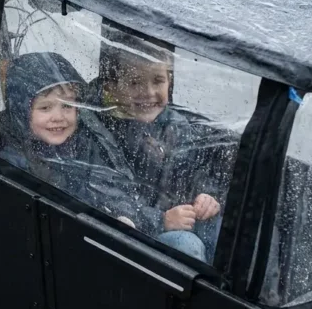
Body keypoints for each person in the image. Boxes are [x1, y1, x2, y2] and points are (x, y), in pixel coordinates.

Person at [0, 51, 208, 261]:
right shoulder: (14, 161)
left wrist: (133, 219)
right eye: (45, 108)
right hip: (71, 251)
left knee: (207, 227)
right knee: (186, 244)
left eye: (68, 106)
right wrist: (158, 221)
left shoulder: (87, 142)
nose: (59, 117)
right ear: (21, 111)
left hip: (124, 231)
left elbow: (117, 192)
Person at [95, 22, 235, 262]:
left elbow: (197, 170)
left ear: (169, 81)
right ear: (112, 89)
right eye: (135, 82)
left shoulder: (176, 125)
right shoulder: (105, 131)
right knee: (186, 244)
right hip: (140, 230)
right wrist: (160, 220)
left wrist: (208, 197)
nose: (148, 92)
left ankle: (227, 294)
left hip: (180, 214)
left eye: (157, 80)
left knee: (223, 228)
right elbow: (111, 196)